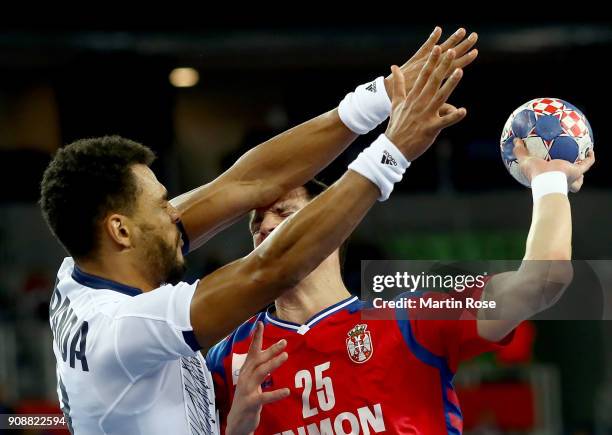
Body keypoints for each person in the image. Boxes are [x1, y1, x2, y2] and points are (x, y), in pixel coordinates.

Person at [40, 27, 474, 435]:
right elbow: (268, 270)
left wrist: (380, 98)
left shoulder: (89, 265)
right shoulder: (125, 328)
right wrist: (392, 152)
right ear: (120, 231)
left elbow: (244, 183)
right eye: (162, 207)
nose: (178, 214)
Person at [207, 141, 595, 432]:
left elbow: (543, 280)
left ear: (332, 229)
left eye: (285, 213)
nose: (265, 228)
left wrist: (548, 181)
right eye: (256, 224)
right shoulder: (226, 358)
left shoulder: (413, 318)